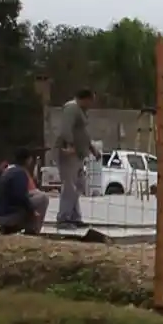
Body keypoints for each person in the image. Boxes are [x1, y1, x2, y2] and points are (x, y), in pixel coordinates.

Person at [56, 88, 99, 227]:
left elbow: (84, 134)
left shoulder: (81, 112)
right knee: (69, 186)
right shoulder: (71, 108)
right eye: (91, 100)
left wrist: (92, 149)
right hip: (70, 154)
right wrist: (69, 146)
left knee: (78, 185)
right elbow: (65, 129)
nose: (92, 104)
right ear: (85, 98)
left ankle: (74, 217)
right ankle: (63, 217)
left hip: (79, 155)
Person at [0, 147, 50, 236]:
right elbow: (20, 196)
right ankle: (32, 231)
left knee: (37, 194)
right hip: (8, 216)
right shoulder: (20, 173)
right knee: (43, 198)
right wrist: (32, 211)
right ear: (28, 160)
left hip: (0, 214)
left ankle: (9, 228)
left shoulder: (11, 170)